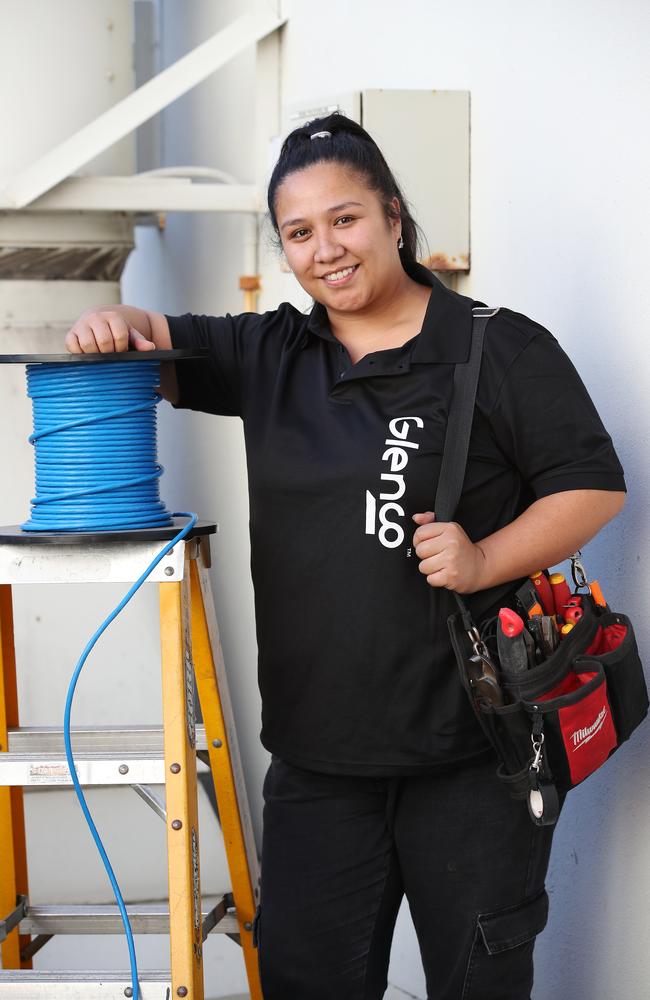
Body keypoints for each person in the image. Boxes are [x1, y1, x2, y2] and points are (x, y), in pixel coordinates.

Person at [66, 113, 626, 1000]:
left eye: (346, 218)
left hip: (474, 762)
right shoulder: (268, 354)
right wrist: (109, 317)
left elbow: (592, 485)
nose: (325, 248)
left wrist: (484, 560)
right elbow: (148, 334)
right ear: (283, 249)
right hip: (318, 768)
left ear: (394, 217)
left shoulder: (497, 344)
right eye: (299, 233)